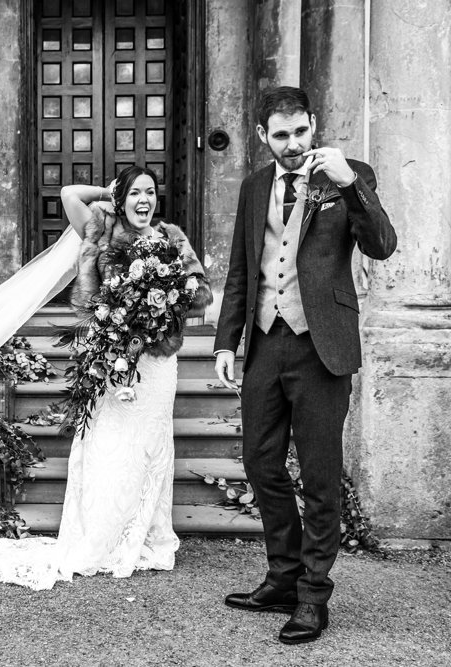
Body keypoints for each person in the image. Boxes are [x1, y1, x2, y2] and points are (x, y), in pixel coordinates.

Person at [213, 87, 397, 644]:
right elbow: (241, 269)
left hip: (323, 347)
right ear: (264, 137)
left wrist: (349, 184)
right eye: (280, 135)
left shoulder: (348, 175)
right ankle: (283, 576)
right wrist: (226, 342)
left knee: (319, 476)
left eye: (300, 132)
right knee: (261, 462)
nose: (293, 145)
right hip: (266, 342)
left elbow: (382, 245)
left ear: (312, 125)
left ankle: (314, 595)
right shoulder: (252, 186)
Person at [0, 165, 211, 590]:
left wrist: (164, 303)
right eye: (135, 192)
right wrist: (110, 191)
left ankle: (143, 535)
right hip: (113, 359)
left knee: (151, 445)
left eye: (150, 192)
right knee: (110, 443)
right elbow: (68, 193)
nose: (144, 200)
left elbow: (201, 295)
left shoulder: (172, 238)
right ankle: (100, 536)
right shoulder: (100, 229)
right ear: (122, 198)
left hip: (156, 365)